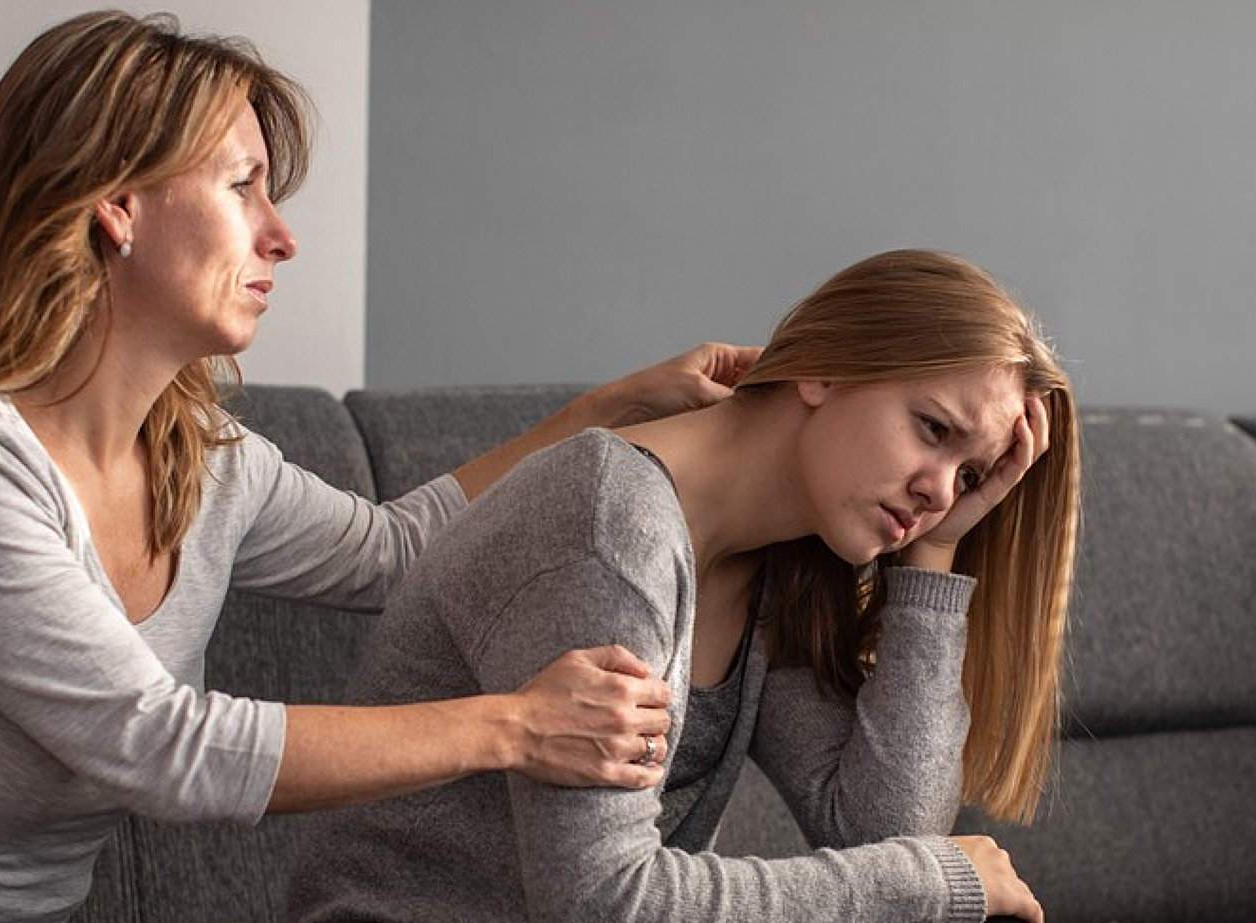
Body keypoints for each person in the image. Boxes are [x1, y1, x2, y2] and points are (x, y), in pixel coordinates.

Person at [0, 11, 759, 923]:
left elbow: (400, 550)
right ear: (116, 205)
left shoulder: (202, 455)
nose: (281, 236)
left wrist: (609, 409)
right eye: (243, 186)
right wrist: (514, 724)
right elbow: (160, 745)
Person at [285, 249, 1079, 923]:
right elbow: (605, 899)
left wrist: (934, 555)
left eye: (968, 474)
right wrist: (933, 879)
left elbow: (884, 826)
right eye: (932, 429)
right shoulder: (611, 523)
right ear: (826, 369)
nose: (940, 488)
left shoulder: (780, 561)